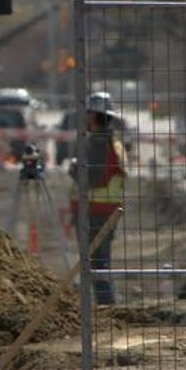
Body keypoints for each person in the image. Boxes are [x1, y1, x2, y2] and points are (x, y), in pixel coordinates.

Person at [71, 91, 127, 305]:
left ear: (93, 116)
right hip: (105, 210)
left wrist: (74, 168)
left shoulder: (97, 143)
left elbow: (92, 177)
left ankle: (106, 308)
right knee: (101, 262)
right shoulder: (114, 141)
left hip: (95, 211)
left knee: (96, 264)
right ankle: (106, 306)